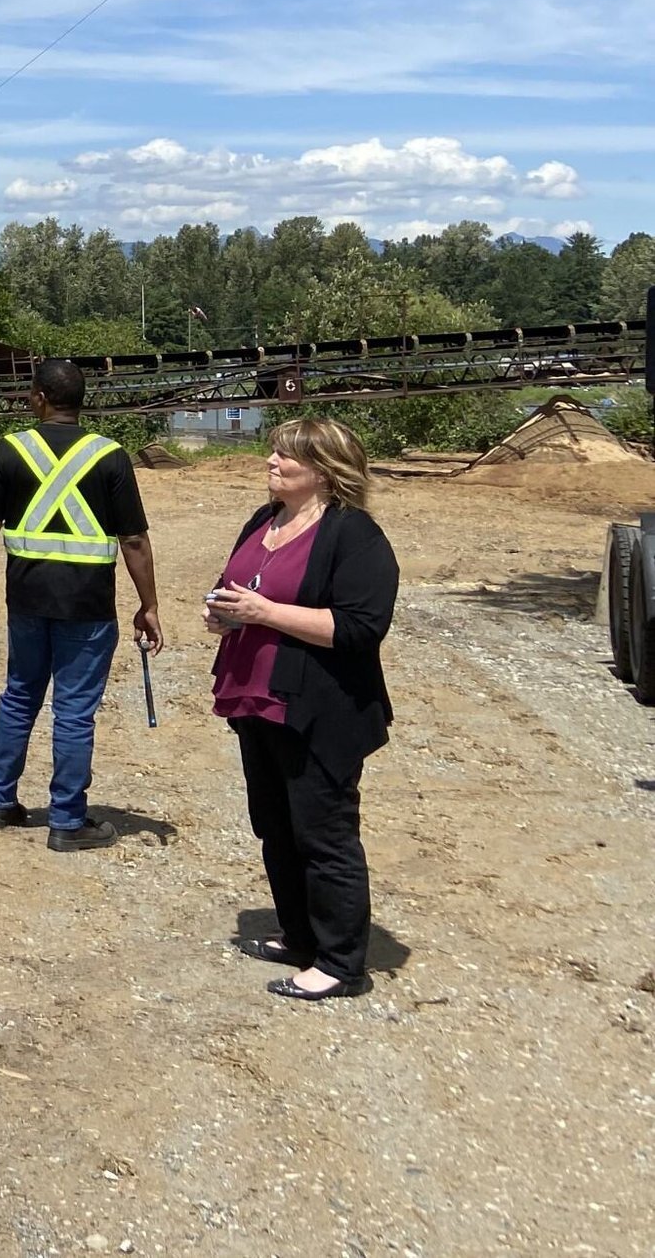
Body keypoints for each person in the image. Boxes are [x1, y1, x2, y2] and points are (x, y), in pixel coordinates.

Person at [206, 416, 399, 1001]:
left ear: (323, 470)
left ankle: (341, 962)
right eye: (273, 452)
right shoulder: (263, 521)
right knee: (275, 826)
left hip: (320, 706)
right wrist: (223, 614)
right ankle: (299, 935)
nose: (272, 462)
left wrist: (263, 613)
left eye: (286, 457)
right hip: (254, 698)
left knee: (323, 832)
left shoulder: (353, 534)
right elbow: (238, 586)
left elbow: (361, 626)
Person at [0, 359, 163, 850]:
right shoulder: (111, 457)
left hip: (27, 599)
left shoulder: (10, 450)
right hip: (88, 605)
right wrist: (149, 605)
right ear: (82, 401)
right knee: (74, 712)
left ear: (38, 398)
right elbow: (134, 539)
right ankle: (67, 822)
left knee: (19, 697)